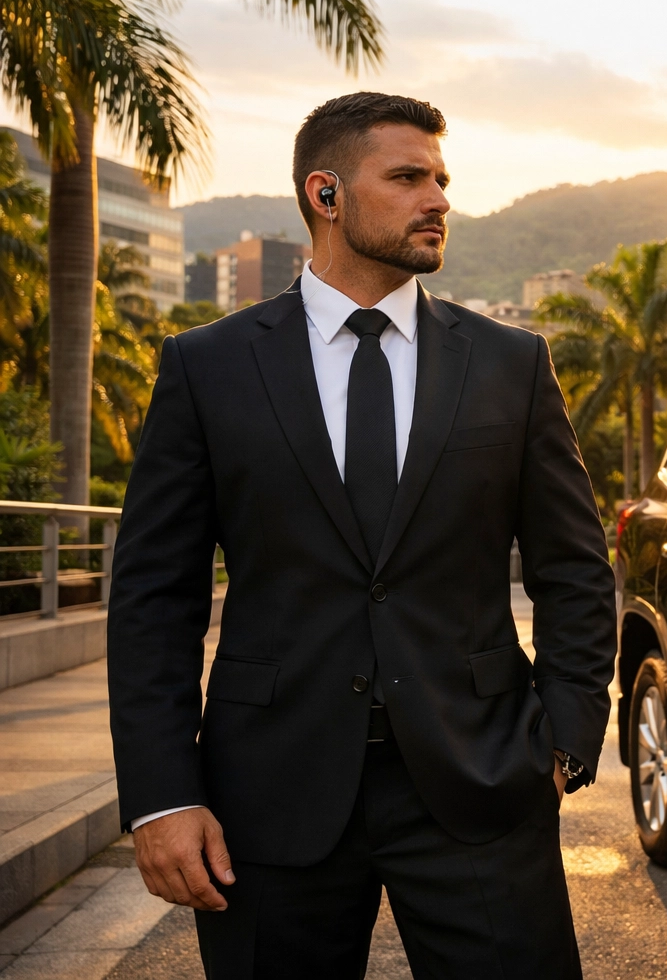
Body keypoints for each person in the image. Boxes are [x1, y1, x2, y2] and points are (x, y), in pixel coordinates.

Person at [107, 92, 616, 978]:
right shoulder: (208, 366)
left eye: (442, 179)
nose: (439, 199)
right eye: (409, 178)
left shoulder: (511, 363)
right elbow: (155, 597)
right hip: (268, 794)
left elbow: (574, 569)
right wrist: (160, 798)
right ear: (326, 194)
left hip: (483, 782)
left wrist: (565, 740)